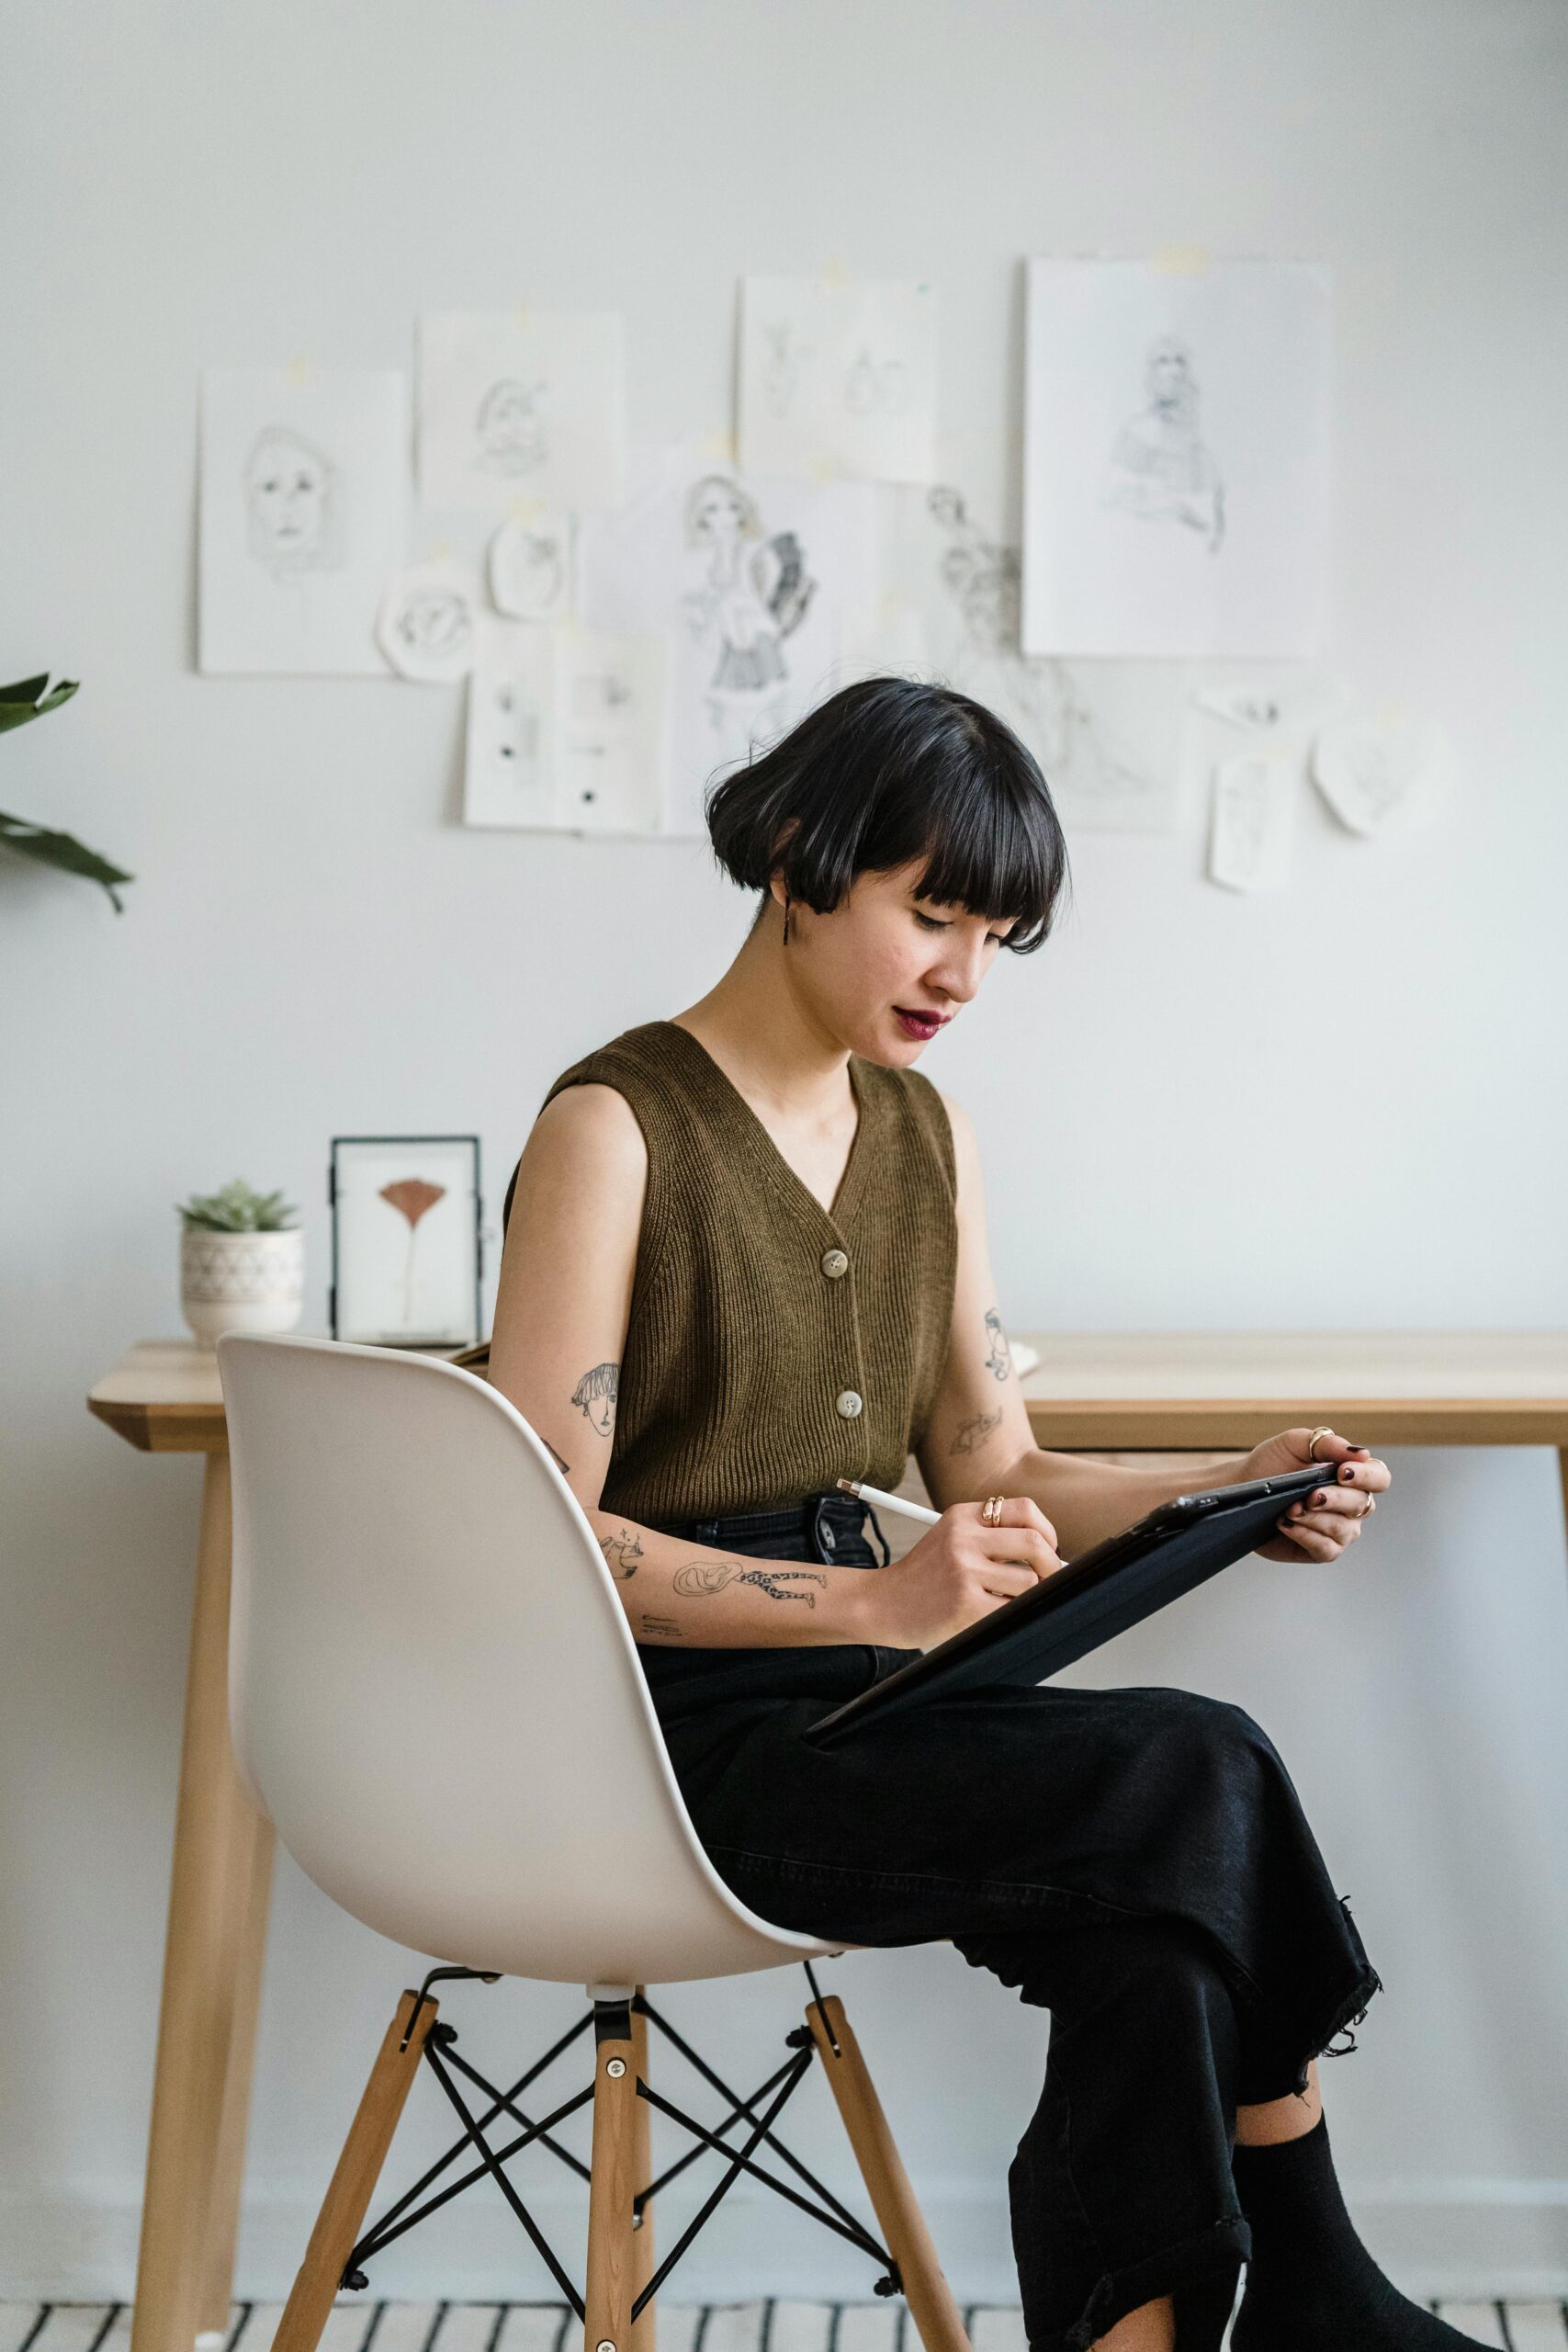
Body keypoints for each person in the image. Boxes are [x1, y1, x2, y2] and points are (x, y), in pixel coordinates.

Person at [488, 676, 1485, 2352]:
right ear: (803, 861)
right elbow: (540, 1535)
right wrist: (876, 1606)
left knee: (1153, 1934)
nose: (962, 973)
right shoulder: (616, 1128)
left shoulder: (923, 1131)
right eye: (929, 911)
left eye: (997, 933)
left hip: (882, 1713)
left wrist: (1226, 1491)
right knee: (1197, 1764)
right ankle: (1315, 2282)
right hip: (672, 1746)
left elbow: (998, 1470)